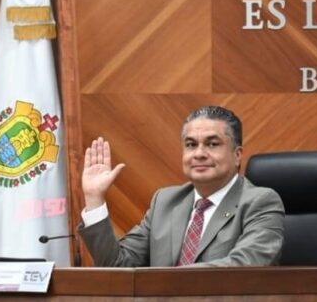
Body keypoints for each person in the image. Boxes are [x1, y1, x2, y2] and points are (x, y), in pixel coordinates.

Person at [77, 106, 283, 267]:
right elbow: (117, 266)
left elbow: (247, 266)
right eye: (191, 145)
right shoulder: (165, 201)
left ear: (237, 155)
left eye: (212, 144)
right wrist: (95, 199)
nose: (199, 154)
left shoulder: (260, 202)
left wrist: (165, 281)